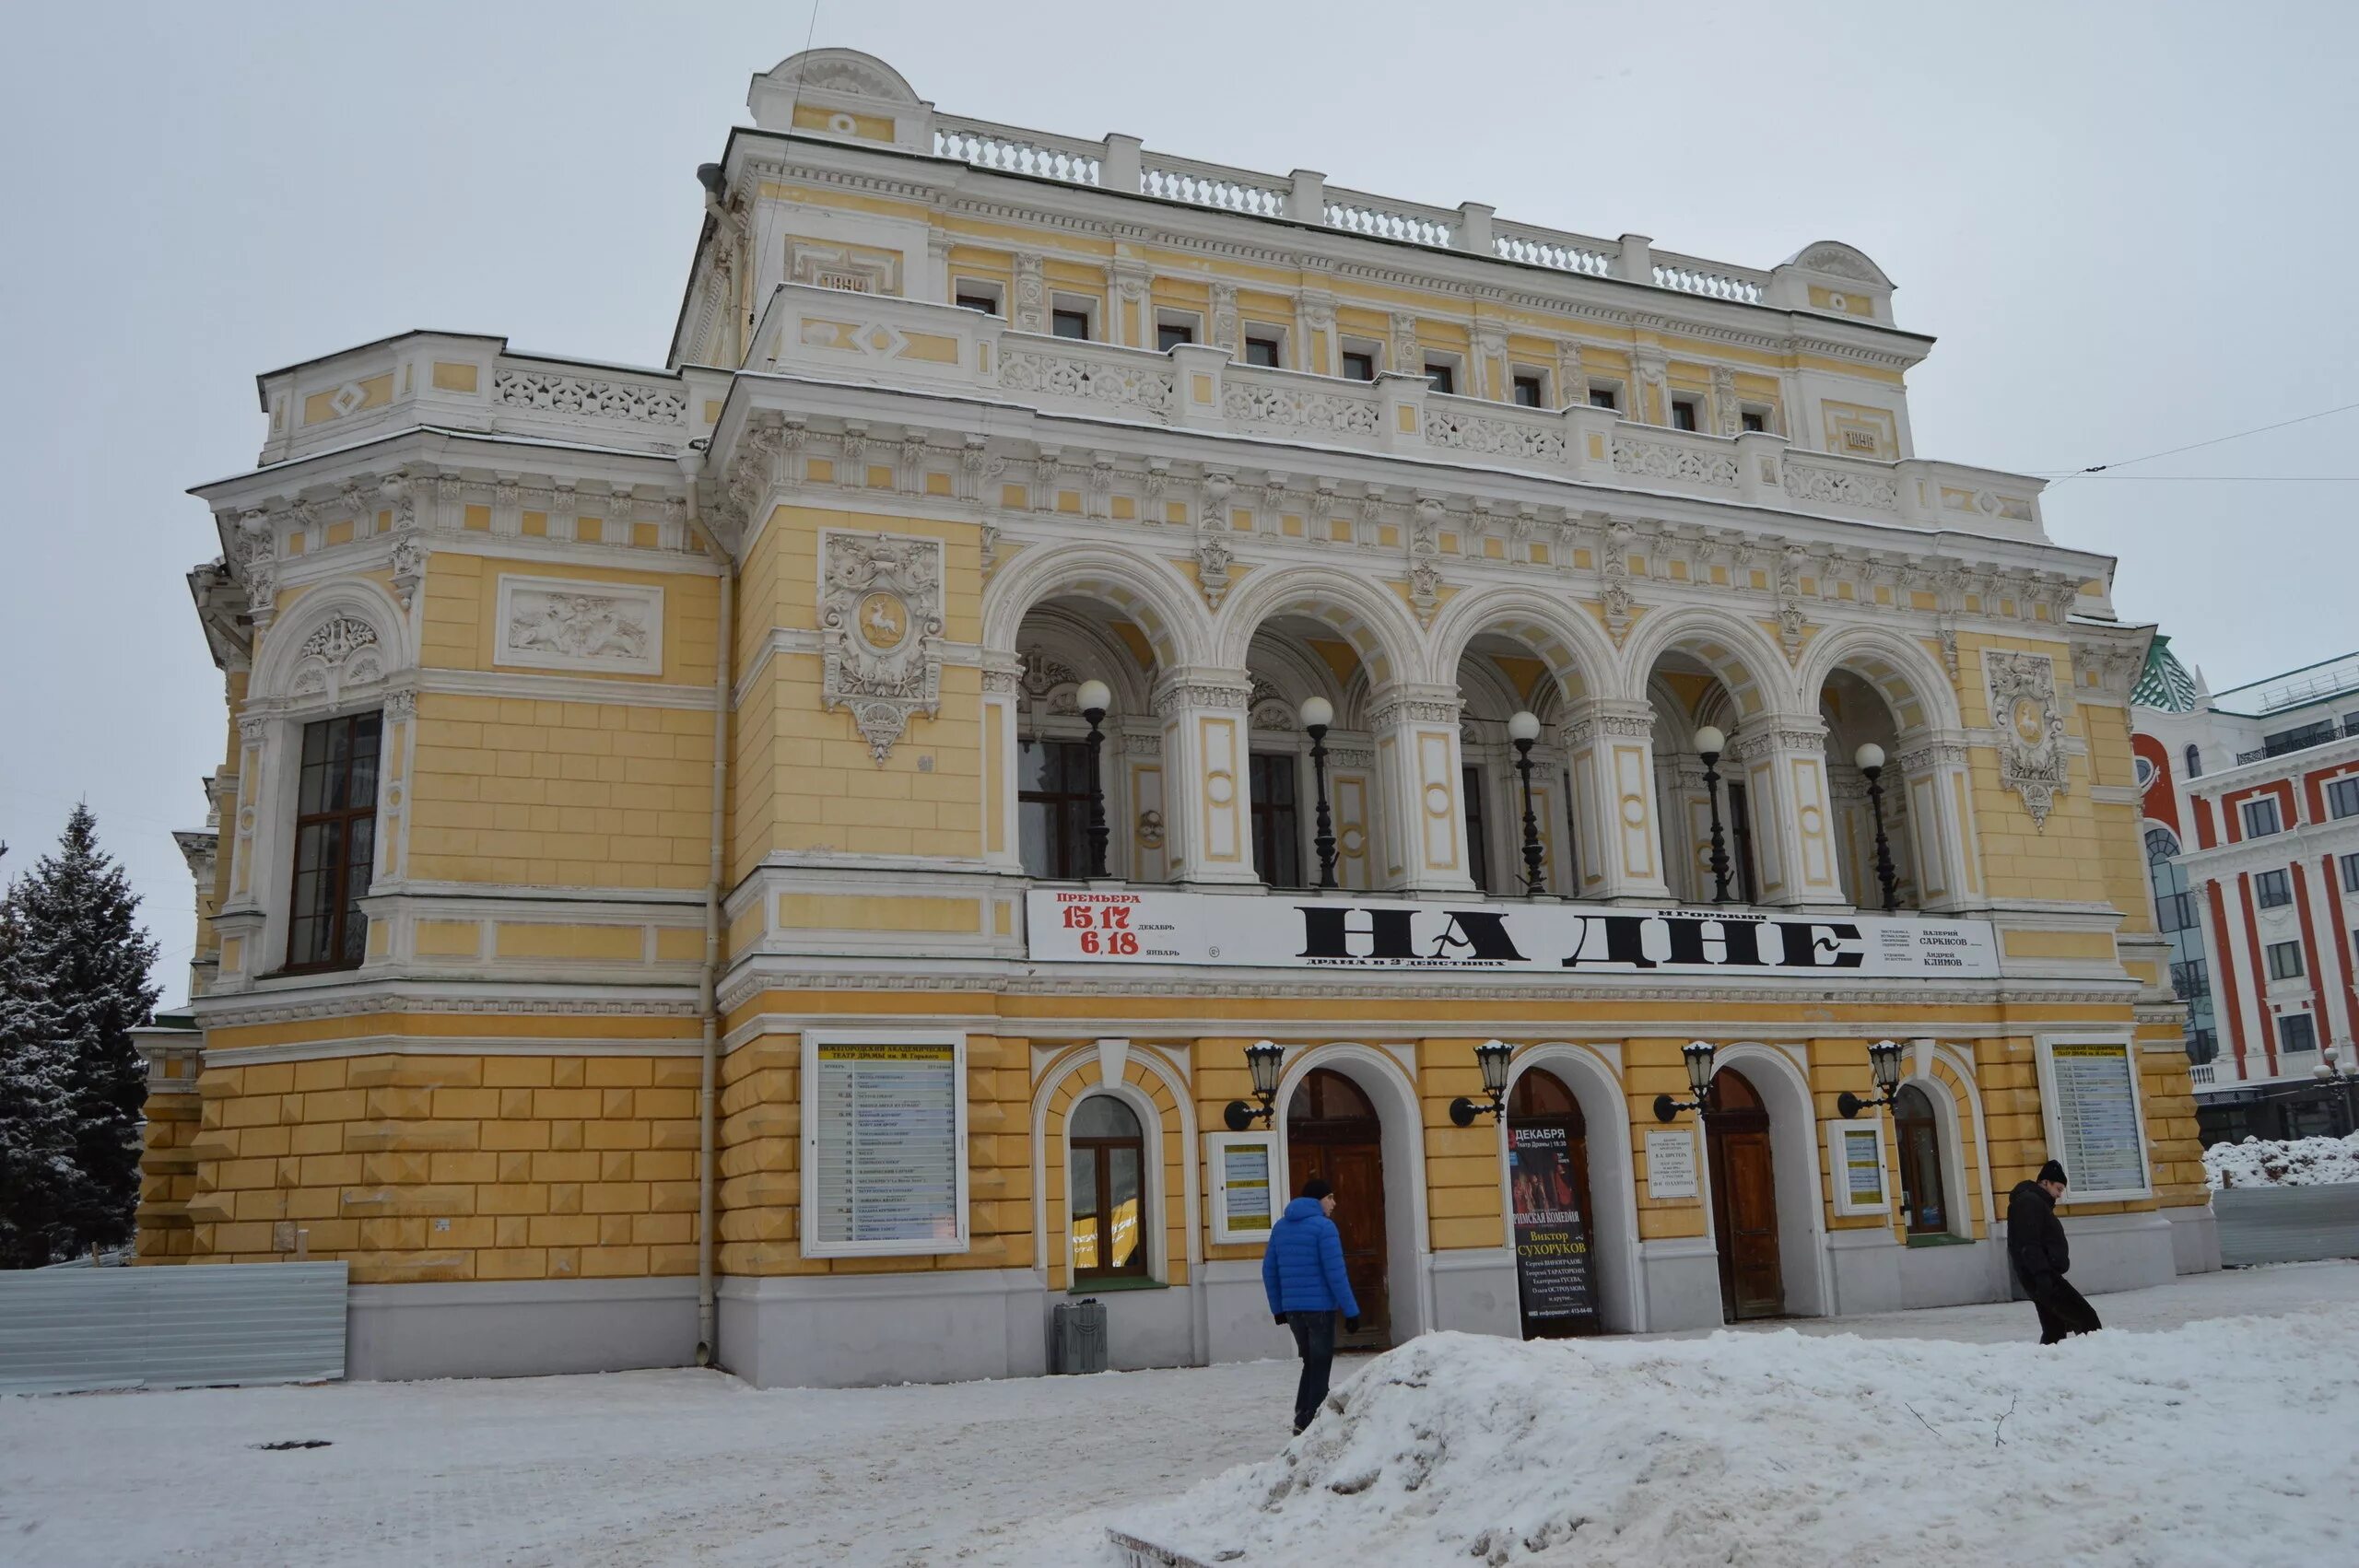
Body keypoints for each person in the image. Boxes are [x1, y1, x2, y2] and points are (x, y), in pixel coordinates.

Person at [1262, 1176, 1361, 1435]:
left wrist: (1278, 1308)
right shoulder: (1324, 1228)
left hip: (1294, 1310)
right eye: (1330, 1197)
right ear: (1318, 1200)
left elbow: (1269, 1270)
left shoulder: (1281, 1227)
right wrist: (1351, 1311)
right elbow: (1335, 1273)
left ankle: (1302, 1415)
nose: (1334, 1203)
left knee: (1310, 1361)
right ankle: (1313, 1419)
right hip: (1320, 1310)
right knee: (1320, 1361)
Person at [2006, 1159, 2102, 1344]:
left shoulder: (2034, 1202)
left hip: (2042, 1277)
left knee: (2054, 1330)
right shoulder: (2029, 1202)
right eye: (2058, 1189)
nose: (2059, 1195)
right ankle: (2097, 1358)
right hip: (2044, 1278)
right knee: (2088, 1319)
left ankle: (2050, 1366)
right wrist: (2042, 1276)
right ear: (2044, 1182)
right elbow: (2029, 1243)